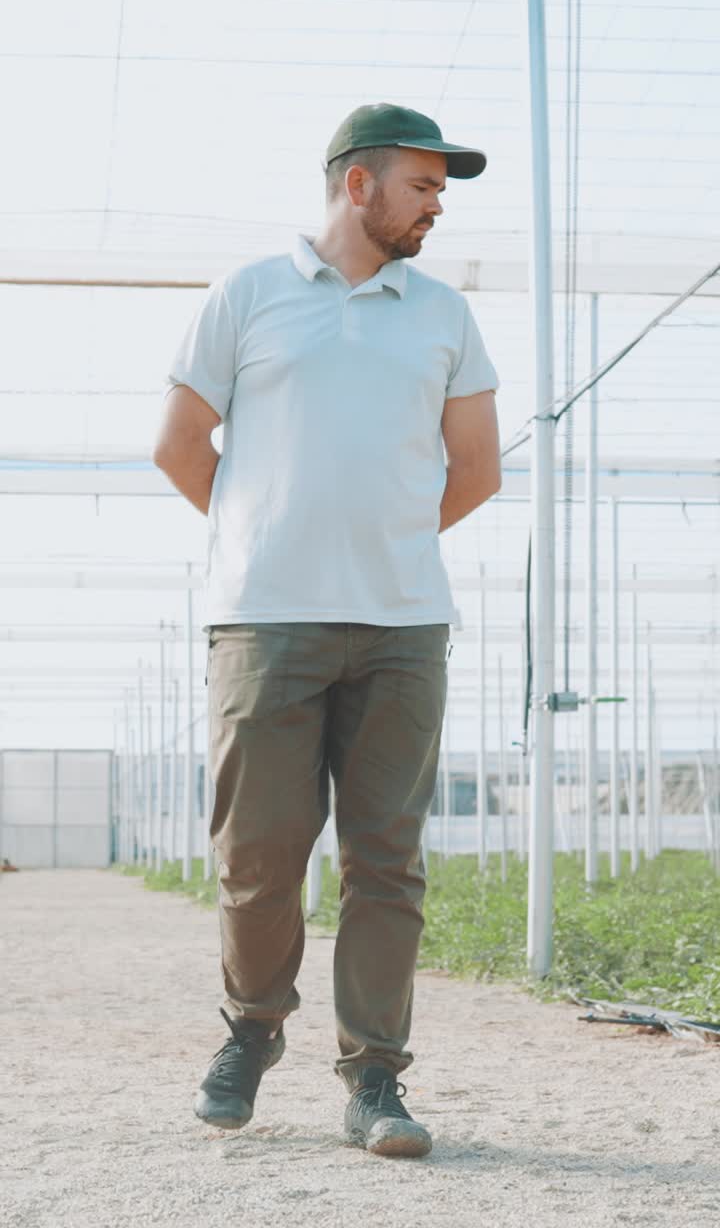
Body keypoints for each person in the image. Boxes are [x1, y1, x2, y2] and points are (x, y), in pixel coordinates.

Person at [153, 103, 501, 1159]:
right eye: (425, 187)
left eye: (441, 192)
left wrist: (382, 540)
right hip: (264, 624)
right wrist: (272, 536)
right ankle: (251, 1029)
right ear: (360, 184)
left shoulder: (444, 314)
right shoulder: (248, 293)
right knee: (258, 856)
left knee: (387, 862)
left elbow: (476, 468)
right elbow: (178, 444)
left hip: (402, 630)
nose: (438, 207)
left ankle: (375, 1078)